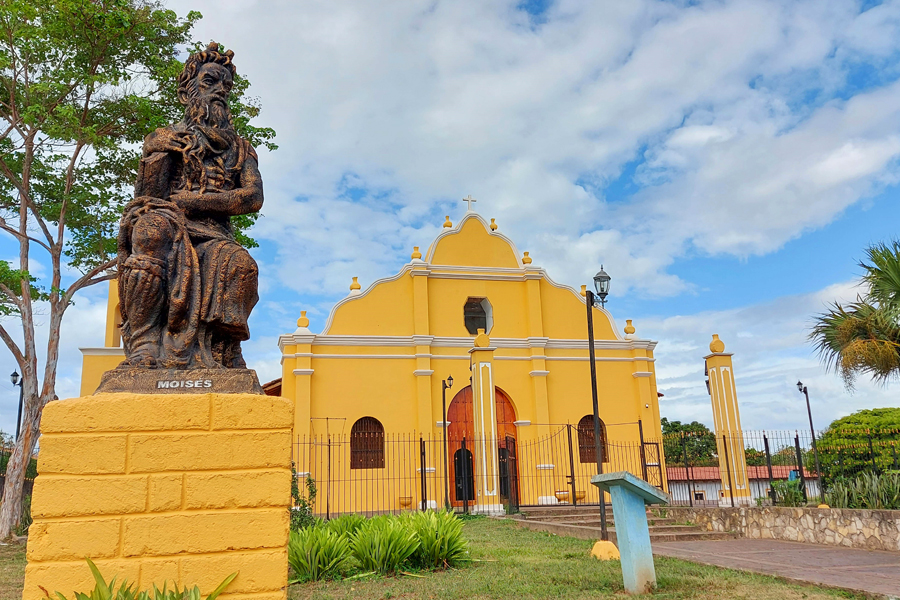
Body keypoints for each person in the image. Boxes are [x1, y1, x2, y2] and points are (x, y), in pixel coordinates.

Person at [117, 43, 263, 370]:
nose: (220, 92)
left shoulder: (241, 149)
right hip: (170, 226)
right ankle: (144, 343)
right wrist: (152, 155)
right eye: (210, 82)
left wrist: (193, 201)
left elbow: (252, 197)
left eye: (226, 86)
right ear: (188, 92)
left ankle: (221, 350)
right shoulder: (169, 138)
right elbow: (149, 200)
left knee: (242, 265)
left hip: (214, 234)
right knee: (150, 231)